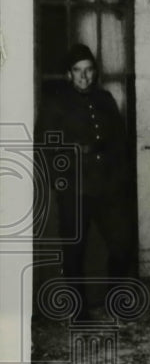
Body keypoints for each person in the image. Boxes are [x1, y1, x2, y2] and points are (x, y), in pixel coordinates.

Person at [36, 44, 133, 319]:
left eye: (89, 71)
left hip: (109, 187)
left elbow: (120, 143)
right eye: (77, 71)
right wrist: (63, 174)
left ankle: (115, 301)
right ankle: (78, 311)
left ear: (95, 72)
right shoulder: (56, 103)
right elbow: (44, 146)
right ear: (68, 74)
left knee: (122, 244)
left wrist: (120, 179)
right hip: (75, 188)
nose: (83, 77)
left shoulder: (105, 99)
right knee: (74, 251)